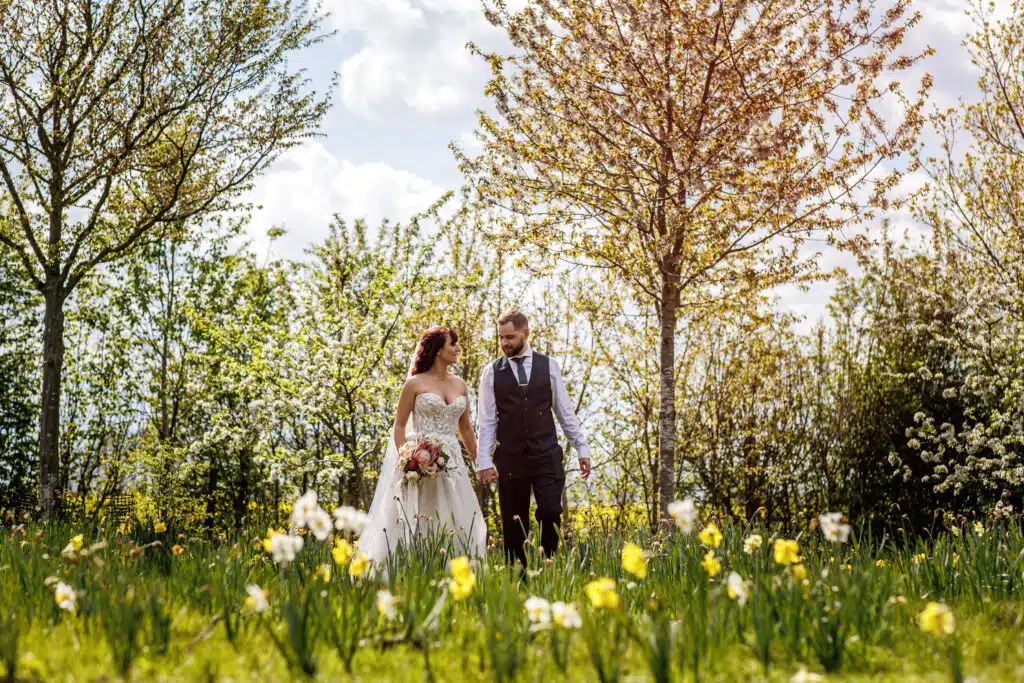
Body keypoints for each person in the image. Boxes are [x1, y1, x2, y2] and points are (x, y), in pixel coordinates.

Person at [359, 326, 487, 571]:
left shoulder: (460, 384)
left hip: (453, 461)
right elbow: (399, 426)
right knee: (419, 515)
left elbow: (467, 429)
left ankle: (452, 572)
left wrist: (480, 463)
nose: (457, 349)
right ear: (438, 350)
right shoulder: (414, 384)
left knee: (456, 515)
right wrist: (408, 459)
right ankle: (412, 570)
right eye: (453, 344)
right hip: (421, 459)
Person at [476, 308, 592, 566]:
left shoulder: (549, 366)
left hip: (546, 455)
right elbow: (486, 421)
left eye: (510, 337)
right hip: (510, 459)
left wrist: (582, 448)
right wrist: (483, 459)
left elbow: (564, 412)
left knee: (551, 512)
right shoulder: (491, 373)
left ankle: (549, 568)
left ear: (525, 333)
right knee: (514, 523)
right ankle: (518, 582)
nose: (505, 343)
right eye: (501, 338)